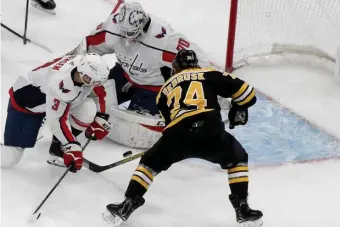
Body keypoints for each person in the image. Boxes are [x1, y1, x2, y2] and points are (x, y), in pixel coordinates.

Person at [102, 49, 263, 227]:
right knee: (237, 158)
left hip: (177, 133)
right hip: (210, 129)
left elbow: (166, 122)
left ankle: (127, 205)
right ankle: (242, 208)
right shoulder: (209, 73)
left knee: (149, 163)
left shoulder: (165, 89)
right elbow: (248, 94)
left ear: (175, 68)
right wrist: (238, 107)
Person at [67, 1, 213, 148]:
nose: (126, 39)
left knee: (134, 128)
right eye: (123, 32)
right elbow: (87, 47)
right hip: (124, 75)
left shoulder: (164, 41)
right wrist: (67, 70)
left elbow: (199, 65)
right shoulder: (113, 27)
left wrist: (216, 92)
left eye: (130, 33)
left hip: (155, 88)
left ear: (142, 25)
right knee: (84, 92)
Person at [1, 54, 112, 172]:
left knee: (87, 110)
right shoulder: (58, 84)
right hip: (27, 105)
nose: (92, 84)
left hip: (51, 101)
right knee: (8, 158)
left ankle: (58, 149)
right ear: (82, 71)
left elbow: (99, 92)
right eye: (89, 80)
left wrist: (102, 116)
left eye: (96, 82)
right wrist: (71, 145)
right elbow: (57, 120)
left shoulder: (82, 64)